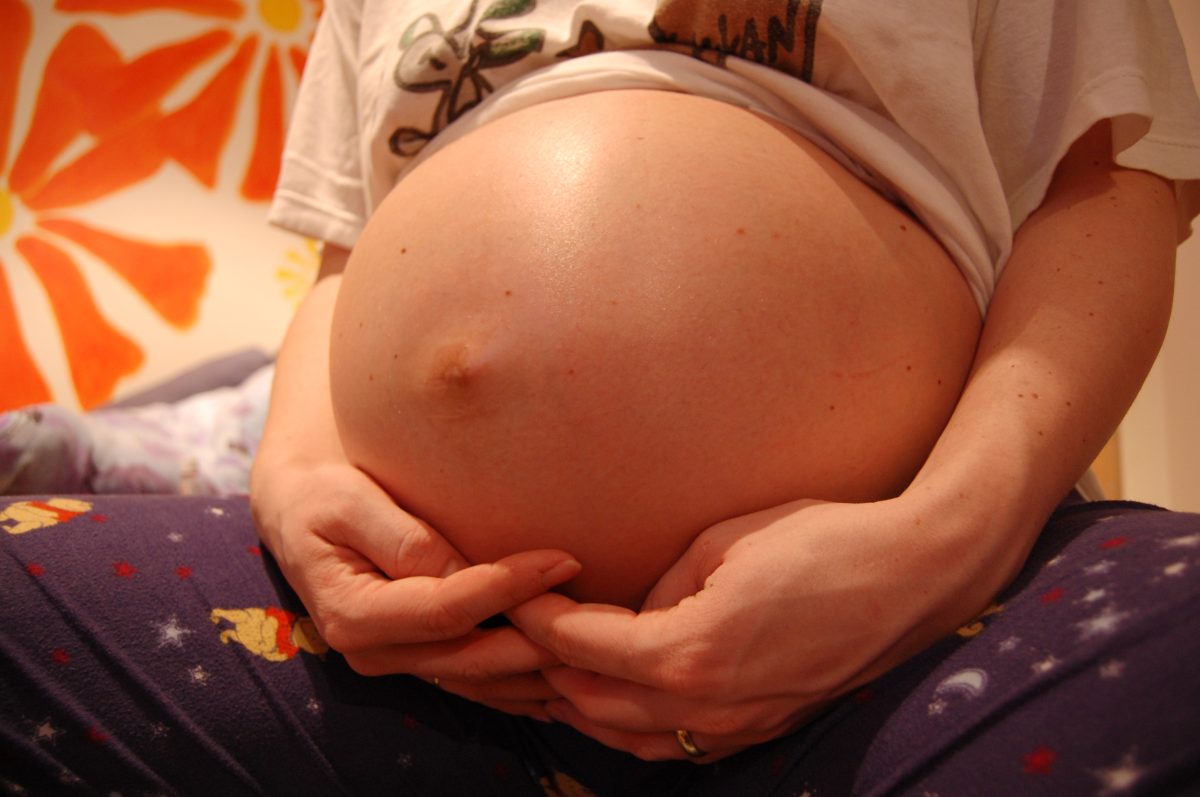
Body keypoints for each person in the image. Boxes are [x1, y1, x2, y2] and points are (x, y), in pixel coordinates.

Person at [3, 1, 1200, 794]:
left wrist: (944, 543)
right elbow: (346, 259)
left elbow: (1112, 189)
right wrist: (293, 477)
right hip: (417, 669)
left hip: (894, 649)